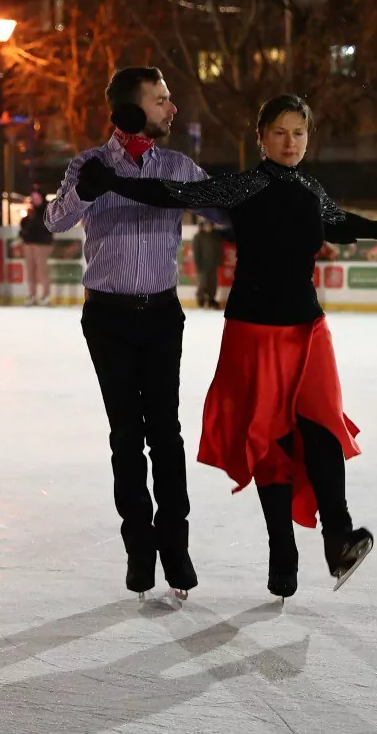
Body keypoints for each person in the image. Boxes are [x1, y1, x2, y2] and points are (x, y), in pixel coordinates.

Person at [77, 93, 377, 599]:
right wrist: (113, 181)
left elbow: (340, 221)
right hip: (254, 330)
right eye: (279, 132)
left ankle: (338, 536)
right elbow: (173, 192)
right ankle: (282, 552)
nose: (290, 142)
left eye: (298, 133)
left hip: (308, 328)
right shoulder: (244, 186)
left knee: (323, 425)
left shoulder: (310, 188)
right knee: (270, 441)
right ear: (261, 138)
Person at [44, 66, 226, 599]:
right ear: (132, 108)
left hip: (162, 316)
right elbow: (54, 221)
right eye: (162, 99)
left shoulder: (177, 166)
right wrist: (83, 191)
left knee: (165, 434)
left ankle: (176, 549)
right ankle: (139, 552)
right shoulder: (89, 163)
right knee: (127, 435)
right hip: (108, 319)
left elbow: (221, 210)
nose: (172, 108)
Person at [19, 189, 55, 306]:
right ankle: (32, 294)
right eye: (33, 198)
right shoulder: (30, 213)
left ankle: (45, 294)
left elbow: (46, 226)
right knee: (30, 269)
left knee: (41, 269)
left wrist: (31, 221)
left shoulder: (47, 210)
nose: (34, 200)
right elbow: (24, 225)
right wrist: (26, 225)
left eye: (36, 197)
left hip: (42, 242)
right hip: (29, 242)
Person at [191, 218, 225, 309]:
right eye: (206, 225)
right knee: (203, 283)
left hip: (213, 264)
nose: (208, 226)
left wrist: (219, 261)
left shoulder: (215, 237)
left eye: (210, 224)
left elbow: (219, 249)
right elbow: (196, 252)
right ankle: (201, 300)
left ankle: (211, 300)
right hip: (203, 265)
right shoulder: (198, 237)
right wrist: (198, 265)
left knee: (212, 284)